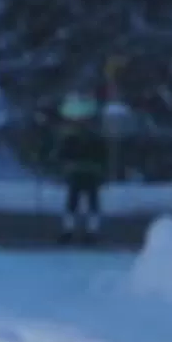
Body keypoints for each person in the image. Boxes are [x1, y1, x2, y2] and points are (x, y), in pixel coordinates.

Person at [56, 94, 107, 245]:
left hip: (78, 171)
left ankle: (70, 231)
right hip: (89, 172)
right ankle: (90, 232)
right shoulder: (95, 135)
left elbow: (64, 153)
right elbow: (102, 154)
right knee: (90, 202)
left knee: (74, 202)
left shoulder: (72, 136)